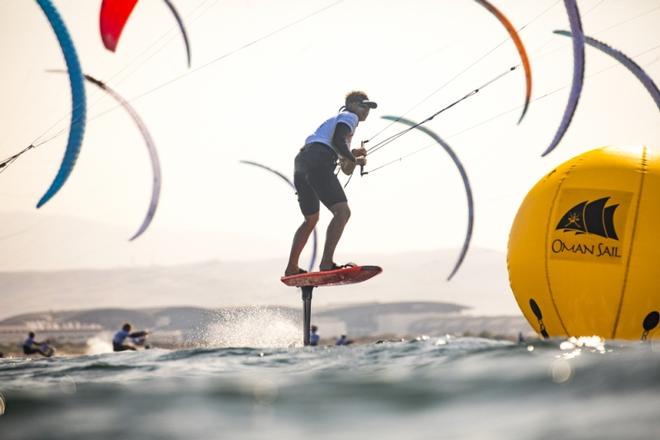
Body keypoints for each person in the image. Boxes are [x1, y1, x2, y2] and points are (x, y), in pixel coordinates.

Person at [285, 91, 377, 276]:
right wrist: (353, 158)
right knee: (342, 212)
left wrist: (353, 156)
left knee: (310, 220)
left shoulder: (335, 127)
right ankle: (327, 263)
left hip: (303, 162)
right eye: (362, 105)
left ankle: (291, 267)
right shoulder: (349, 117)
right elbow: (337, 142)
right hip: (318, 160)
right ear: (350, 104)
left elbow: (345, 168)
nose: (366, 110)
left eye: (368, 107)